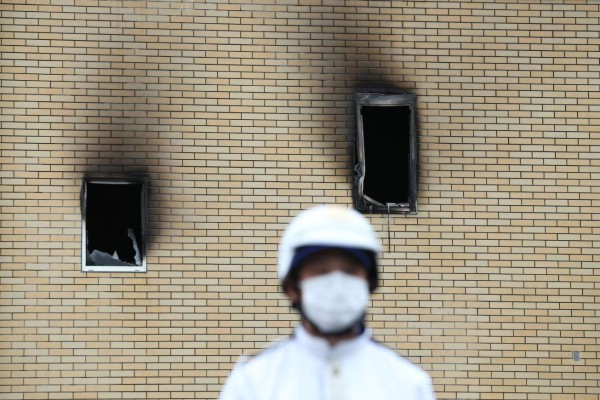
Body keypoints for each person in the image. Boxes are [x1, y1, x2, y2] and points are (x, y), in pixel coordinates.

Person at [219, 204, 436, 400]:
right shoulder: (254, 380)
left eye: (350, 271)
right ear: (293, 287)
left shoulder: (408, 383)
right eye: (320, 271)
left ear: (368, 283)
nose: (337, 283)